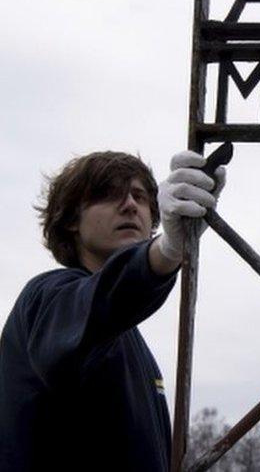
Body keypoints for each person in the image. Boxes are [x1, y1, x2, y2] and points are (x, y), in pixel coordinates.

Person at [0, 150, 225, 471]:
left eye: (140, 196)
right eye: (108, 195)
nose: (130, 205)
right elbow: (102, 302)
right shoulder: (47, 297)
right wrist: (168, 251)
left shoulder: (126, 331)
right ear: (71, 220)